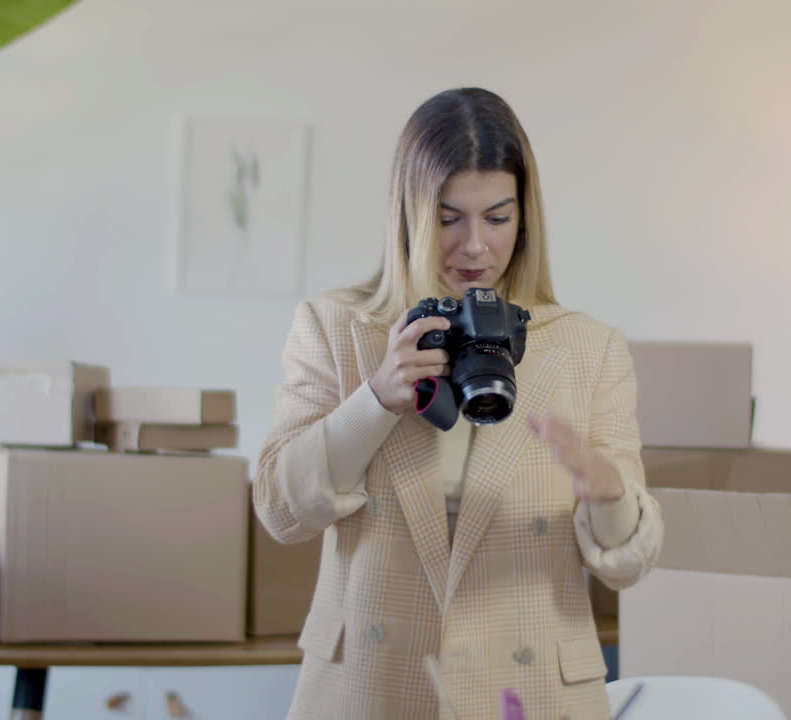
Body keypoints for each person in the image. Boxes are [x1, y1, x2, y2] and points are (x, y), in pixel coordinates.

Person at [254, 87, 664, 720]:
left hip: (529, 692)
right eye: (449, 219)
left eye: (497, 218)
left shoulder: (589, 348)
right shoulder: (336, 328)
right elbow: (280, 513)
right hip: (372, 687)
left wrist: (610, 494)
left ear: (524, 218)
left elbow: (627, 567)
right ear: (410, 215)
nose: (475, 246)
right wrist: (375, 400)